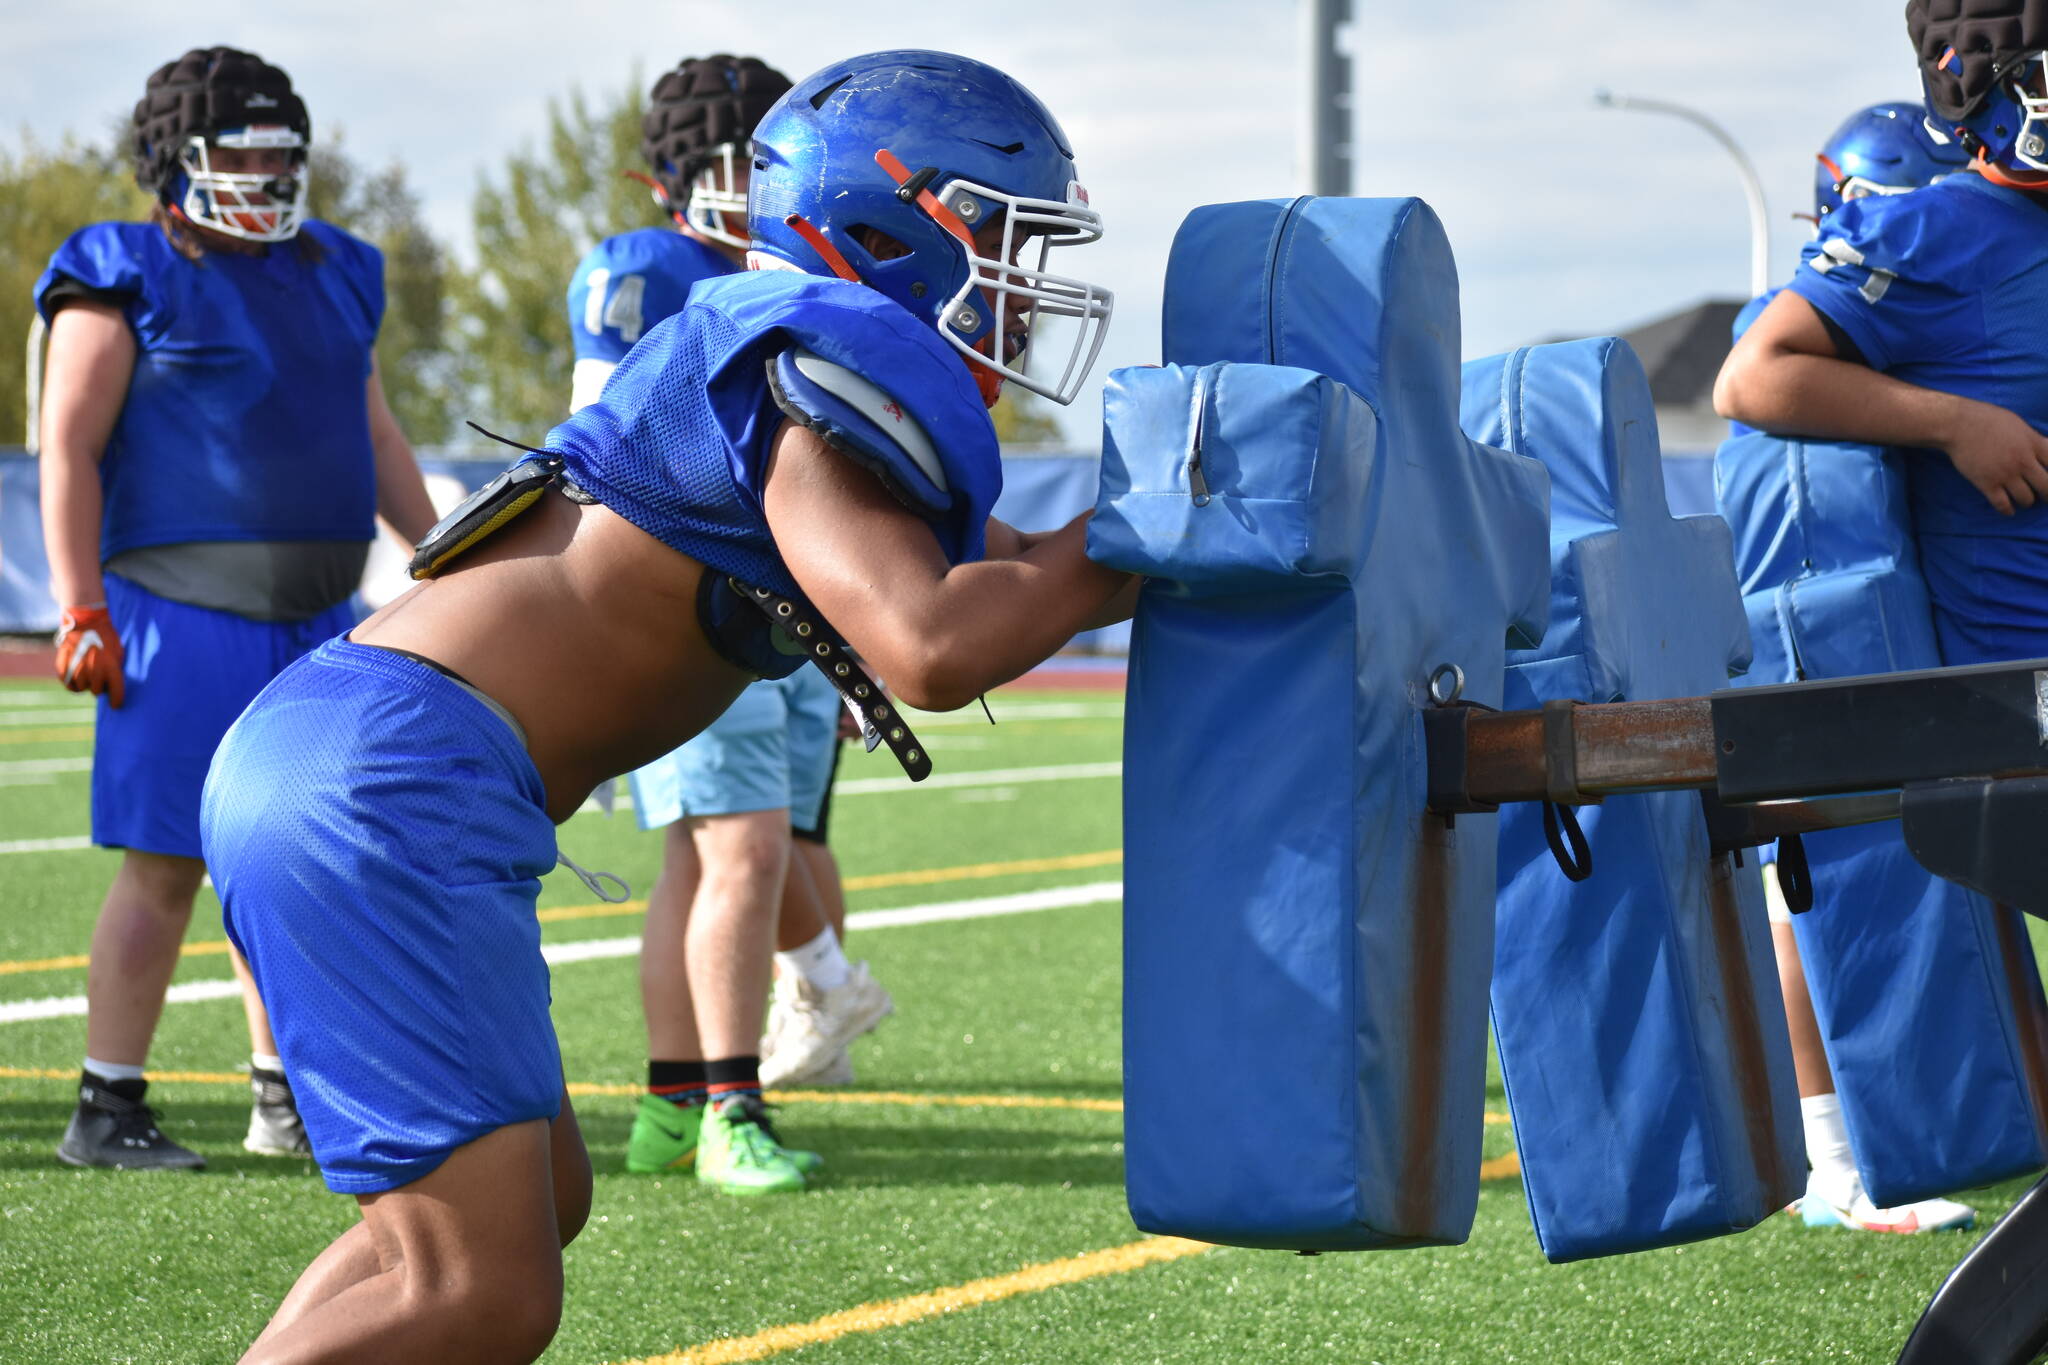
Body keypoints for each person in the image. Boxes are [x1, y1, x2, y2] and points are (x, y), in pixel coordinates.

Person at [200, 49, 1126, 1361]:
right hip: (395, 779)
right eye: (1005, 236)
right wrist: (1137, 551)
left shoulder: (780, 357)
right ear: (897, 223)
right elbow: (926, 642)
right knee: (479, 1292)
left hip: (356, 747)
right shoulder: (820, 364)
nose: (1026, 284)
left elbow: (1019, 569)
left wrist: (1151, 543)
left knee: (500, 1226)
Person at [34, 46, 436, 1172]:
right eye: (240, 151)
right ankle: (107, 1104)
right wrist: (77, 607)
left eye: (279, 152)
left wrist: (445, 555)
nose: (265, 170)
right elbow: (66, 445)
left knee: (298, 853)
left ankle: (283, 1095)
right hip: (178, 610)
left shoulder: (338, 268)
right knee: (165, 865)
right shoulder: (120, 267)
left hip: (320, 611)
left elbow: (379, 437)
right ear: (174, 162)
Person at [1717, 24, 2048, 1229]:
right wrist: (1951, 422)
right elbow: (1753, 380)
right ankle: (1832, 1154)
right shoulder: (1939, 224)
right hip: (2013, 697)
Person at [565, 55, 891, 1196]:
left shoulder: (793, 275)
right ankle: (726, 1109)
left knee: (696, 862)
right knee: (744, 852)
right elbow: (592, 437)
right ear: (667, 179)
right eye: (725, 167)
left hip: (771, 608)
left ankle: (670, 1103)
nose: (747, 191)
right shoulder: (651, 271)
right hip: (700, 593)